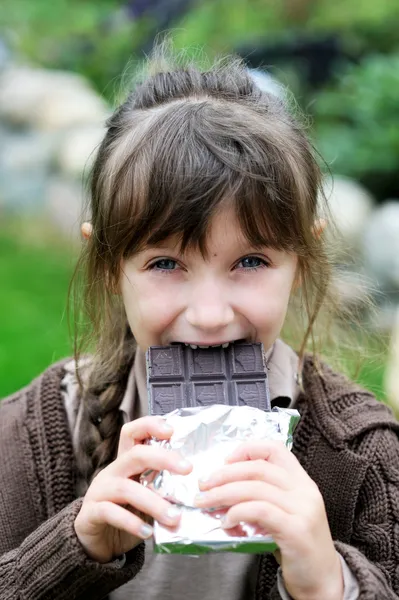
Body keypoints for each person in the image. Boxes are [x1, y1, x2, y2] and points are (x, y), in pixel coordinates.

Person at [1, 47, 398, 600]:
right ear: (112, 265)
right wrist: (73, 546)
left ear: (301, 259)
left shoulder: (364, 458)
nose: (209, 316)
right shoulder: (30, 435)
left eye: (250, 262)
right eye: (165, 264)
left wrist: (328, 584)